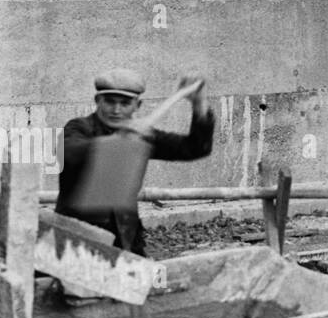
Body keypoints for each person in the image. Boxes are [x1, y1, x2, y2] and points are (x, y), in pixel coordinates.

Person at [56, 68, 214, 258]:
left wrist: (199, 104)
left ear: (137, 105)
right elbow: (68, 152)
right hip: (77, 239)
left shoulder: (141, 135)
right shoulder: (79, 128)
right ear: (98, 101)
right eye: (109, 102)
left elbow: (196, 148)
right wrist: (117, 141)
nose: (116, 110)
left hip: (126, 238)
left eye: (124, 103)